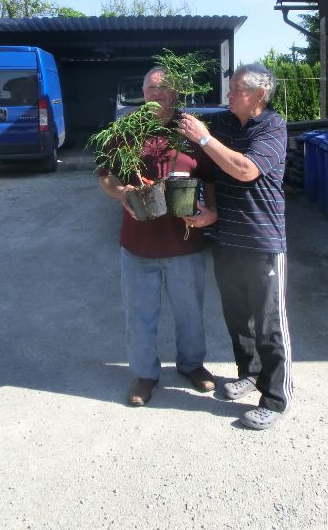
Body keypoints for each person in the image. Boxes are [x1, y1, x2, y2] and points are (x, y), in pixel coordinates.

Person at [178, 63, 292, 430]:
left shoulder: (273, 126)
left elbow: (245, 170)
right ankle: (250, 373)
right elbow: (204, 157)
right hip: (227, 238)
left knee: (269, 324)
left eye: (237, 90)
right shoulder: (224, 123)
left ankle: (276, 399)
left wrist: (204, 139)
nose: (228, 95)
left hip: (262, 242)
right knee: (237, 316)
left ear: (260, 95)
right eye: (230, 89)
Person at [98, 66, 218, 407]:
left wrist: (211, 211)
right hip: (139, 243)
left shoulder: (191, 130)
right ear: (143, 93)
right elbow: (105, 175)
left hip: (186, 241)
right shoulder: (126, 130)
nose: (157, 93)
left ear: (176, 93)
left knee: (190, 312)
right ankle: (144, 374)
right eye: (151, 87)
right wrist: (121, 192)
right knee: (139, 314)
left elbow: (210, 178)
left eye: (164, 88)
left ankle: (192, 365)